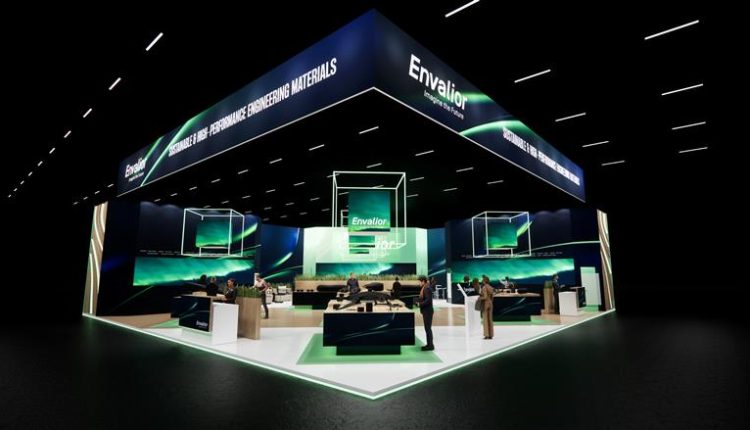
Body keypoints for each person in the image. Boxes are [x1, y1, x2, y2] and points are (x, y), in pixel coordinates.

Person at [416, 275, 434, 351]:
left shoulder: (427, 288)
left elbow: (428, 300)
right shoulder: (425, 287)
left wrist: (419, 304)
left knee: (428, 329)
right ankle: (429, 344)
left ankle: (430, 346)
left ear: (423, 281)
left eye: (419, 282)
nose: (419, 283)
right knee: (427, 328)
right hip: (427, 311)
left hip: (428, 311)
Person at [480, 275, 494, 340]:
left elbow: (485, 297)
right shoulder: (491, 287)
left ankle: (486, 335)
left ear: (484, 281)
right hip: (490, 303)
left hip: (485, 303)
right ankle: (491, 335)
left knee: (485, 319)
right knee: (490, 319)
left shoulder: (484, 287)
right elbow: (492, 297)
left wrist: (479, 298)